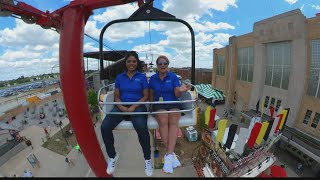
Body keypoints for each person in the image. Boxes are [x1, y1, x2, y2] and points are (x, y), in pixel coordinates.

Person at [100, 51, 153, 176]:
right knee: (105, 127)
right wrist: (121, 107)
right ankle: (112, 156)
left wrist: (134, 106)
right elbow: (117, 97)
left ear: (137, 63)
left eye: (134, 61)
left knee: (141, 128)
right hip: (122, 105)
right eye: (129, 61)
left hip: (138, 106)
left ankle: (147, 159)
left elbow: (145, 96)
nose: (131, 63)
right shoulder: (120, 77)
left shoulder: (141, 77)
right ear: (126, 63)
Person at [149, 55, 191, 174]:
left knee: (173, 119)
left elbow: (177, 94)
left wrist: (181, 90)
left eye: (165, 63)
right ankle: (171, 155)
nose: (163, 65)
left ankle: (168, 155)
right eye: (160, 63)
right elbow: (151, 93)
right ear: (157, 65)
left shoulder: (173, 77)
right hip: (160, 104)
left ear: (168, 65)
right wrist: (151, 106)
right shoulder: (152, 78)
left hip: (173, 102)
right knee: (163, 119)